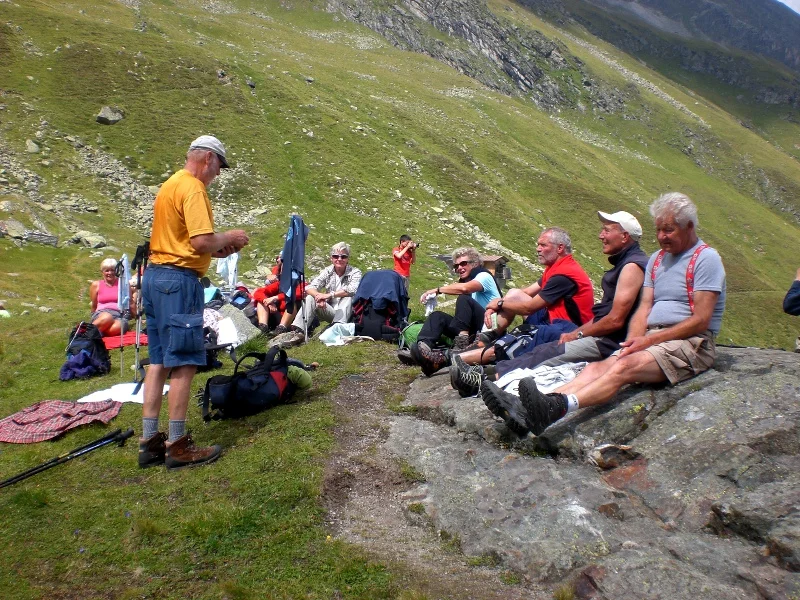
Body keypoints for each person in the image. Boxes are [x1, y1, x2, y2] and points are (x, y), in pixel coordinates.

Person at [482, 192, 726, 436]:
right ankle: (534, 408)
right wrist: (634, 340)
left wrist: (646, 341)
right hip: (653, 338)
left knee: (624, 367)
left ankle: (557, 407)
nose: (661, 236)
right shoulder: (657, 260)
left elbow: (701, 319)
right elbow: (645, 307)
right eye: (659, 230)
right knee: (594, 369)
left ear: (690, 226)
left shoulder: (706, 259)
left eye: (669, 230)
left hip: (690, 342)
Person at [139, 135, 250, 470]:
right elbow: (201, 241)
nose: (217, 173)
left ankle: (149, 441)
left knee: (158, 359)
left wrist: (221, 248)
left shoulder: (170, 185)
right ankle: (177, 444)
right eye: (218, 166)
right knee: (185, 361)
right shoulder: (194, 189)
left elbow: (191, 243)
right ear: (207, 159)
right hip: (179, 281)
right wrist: (230, 238)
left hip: (155, 276)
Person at [451, 212, 648, 396]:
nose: (600, 235)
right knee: (529, 330)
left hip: (593, 334)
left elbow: (615, 320)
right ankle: (483, 352)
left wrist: (577, 334)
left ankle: (481, 376)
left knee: (544, 352)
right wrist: (502, 302)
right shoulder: (559, 269)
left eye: (607, 230)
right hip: (590, 331)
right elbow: (524, 295)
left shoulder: (629, 266)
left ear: (624, 236)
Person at [452, 228, 595, 370]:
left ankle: (463, 355)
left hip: (569, 329)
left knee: (514, 339)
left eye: (543, 245)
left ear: (560, 248)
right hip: (551, 320)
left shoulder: (565, 274)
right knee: (514, 293)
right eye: (538, 245)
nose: (538, 249)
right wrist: (496, 305)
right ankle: (485, 338)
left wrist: (500, 302)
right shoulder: (554, 268)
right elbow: (525, 292)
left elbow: (529, 307)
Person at [412, 247, 501, 375]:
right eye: (457, 265)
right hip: (474, 330)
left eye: (463, 263)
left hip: (488, 329)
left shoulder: (483, 275)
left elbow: (464, 289)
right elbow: (458, 286)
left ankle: (461, 347)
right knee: (437, 316)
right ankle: (423, 351)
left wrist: (437, 290)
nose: (459, 268)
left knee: (463, 298)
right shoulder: (468, 279)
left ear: (475, 263)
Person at [278, 242, 362, 343]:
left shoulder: (355, 272)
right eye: (335, 256)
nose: (339, 259)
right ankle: (298, 332)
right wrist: (318, 296)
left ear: (347, 259)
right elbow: (310, 287)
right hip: (330, 310)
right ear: (331, 258)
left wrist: (328, 295)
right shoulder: (328, 271)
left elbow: (352, 290)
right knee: (310, 297)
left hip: (347, 314)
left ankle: (336, 328)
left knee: (347, 297)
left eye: (343, 257)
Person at [251, 251, 303, 334]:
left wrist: (276, 297)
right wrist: (268, 302)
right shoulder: (279, 283)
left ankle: (282, 328)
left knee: (291, 303)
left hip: (291, 320)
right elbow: (259, 292)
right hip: (277, 315)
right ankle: (262, 327)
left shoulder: (300, 282)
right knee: (261, 302)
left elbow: (298, 294)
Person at [89, 257, 134, 337]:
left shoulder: (124, 284)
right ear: (102, 272)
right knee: (107, 317)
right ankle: (84, 333)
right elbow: (94, 305)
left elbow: (131, 303)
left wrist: (138, 316)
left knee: (117, 327)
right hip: (101, 314)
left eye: (112, 270)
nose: (110, 273)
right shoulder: (96, 285)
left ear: (116, 271)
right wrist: (93, 315)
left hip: (119, 315)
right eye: (107, 270)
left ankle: (97, 333)